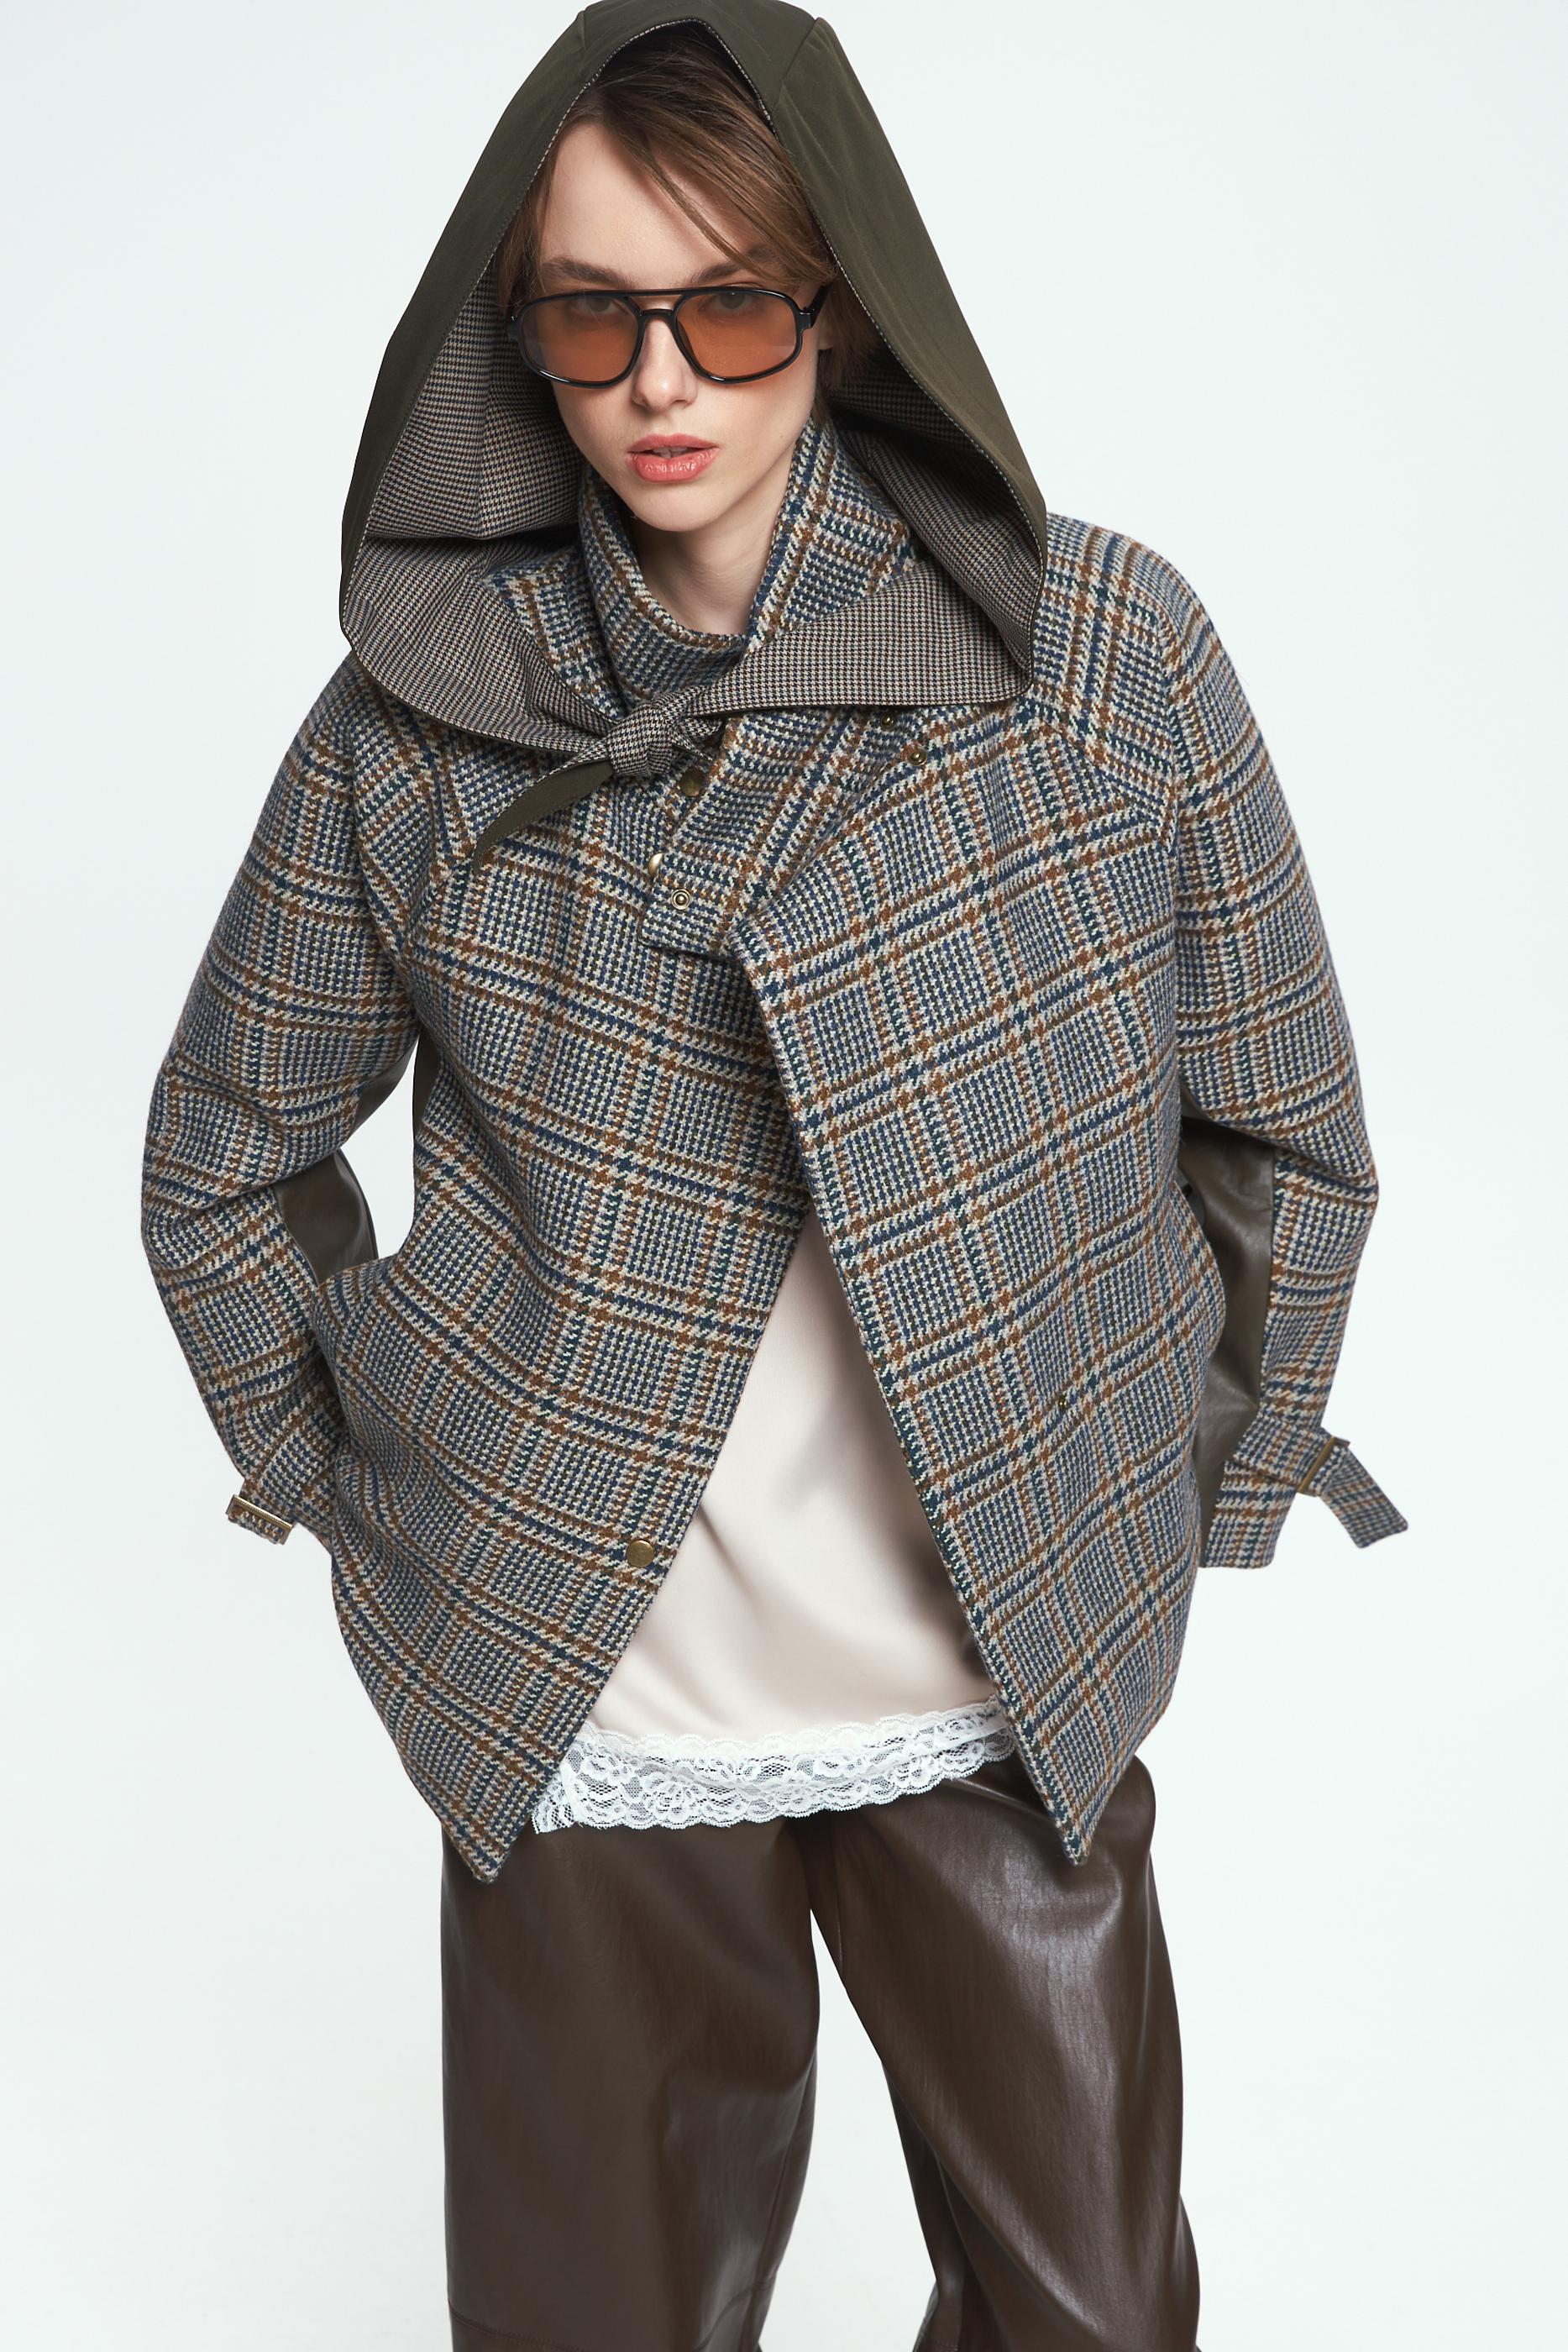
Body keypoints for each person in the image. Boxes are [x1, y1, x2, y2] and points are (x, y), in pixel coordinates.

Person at [141, 5, 1404, 2347]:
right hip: (582, 1691)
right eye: (590, 312)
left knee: (1096, 2314)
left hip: (995, 1663)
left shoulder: (1097, 654)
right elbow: (227, 1146)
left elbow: (1284, 1130)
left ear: (840, 303)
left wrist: (1179, 1489)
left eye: (726, 304)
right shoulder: (417, 711)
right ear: (514, 329)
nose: (660, 380)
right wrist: (375, 1480)